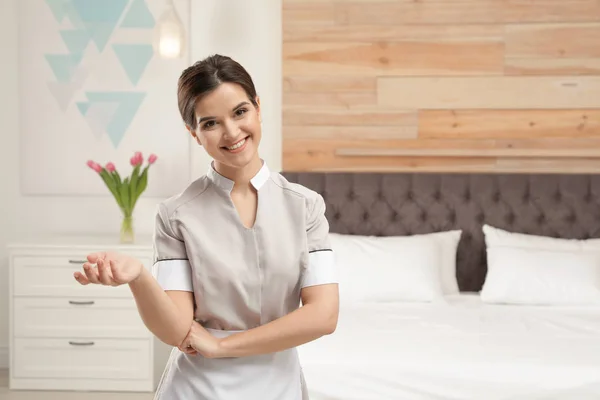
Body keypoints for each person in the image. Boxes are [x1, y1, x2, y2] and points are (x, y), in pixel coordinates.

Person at [73, 54, 339, 399]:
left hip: (278, 384)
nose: (231, 132)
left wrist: (222, 346)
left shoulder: (306, 206)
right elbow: (177, 330)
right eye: (210, 123)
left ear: (258, 107)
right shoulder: (175, 215)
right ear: (194, 133)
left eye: (240, 112)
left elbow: (323, 315)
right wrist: (139, 277)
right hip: (198, 387)